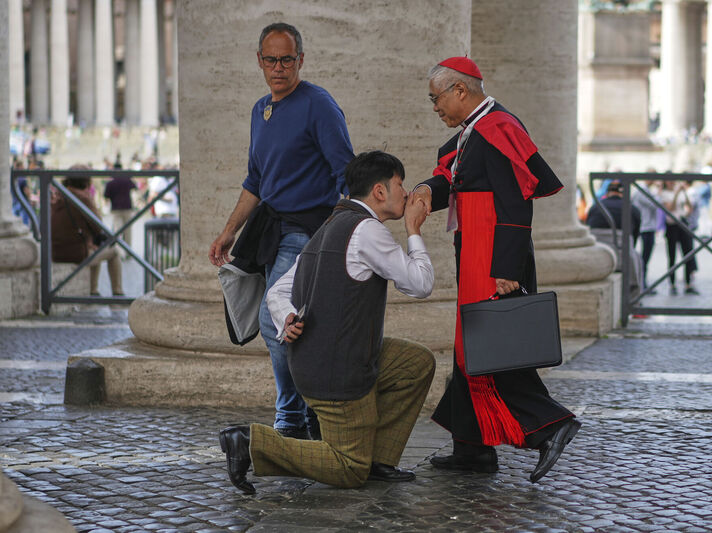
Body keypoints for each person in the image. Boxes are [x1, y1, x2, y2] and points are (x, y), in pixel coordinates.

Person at [219, 151, 435, 494]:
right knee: (349, 469)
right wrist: (413, 229)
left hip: (316, 362)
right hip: (338, 371)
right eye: (400, 184)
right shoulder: (367, 231)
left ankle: (378, 458)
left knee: (416, 363)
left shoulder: (330, 226)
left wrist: (286, 316)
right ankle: (250, 442)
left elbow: (277, 292)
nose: (406, 193)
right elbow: (420, 284)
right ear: (379, 192)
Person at [410, 57, 580, 483]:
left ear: (459, 91)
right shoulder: (474, 130)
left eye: (436, 98)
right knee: (472, 346)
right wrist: (425, 192)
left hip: (492, 254)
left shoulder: (498, 127)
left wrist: (507, 268)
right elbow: (456, 179)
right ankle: (472, 450)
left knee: (491, 347)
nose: (434, 107)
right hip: (475, 247)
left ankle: (550, 425)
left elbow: (515, 202)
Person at [208, 23, 354, 440]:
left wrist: (343, 232)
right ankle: (307, 415)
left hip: (307, 229)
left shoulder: (319, 105)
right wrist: (228, 232)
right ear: (259, 61)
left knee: (275, 322)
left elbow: (347, 171)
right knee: (285, 322)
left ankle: (293, 415)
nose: (278, 67)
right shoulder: (260, 110)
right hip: (269, 229)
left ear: (300, 60)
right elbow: (256, 180)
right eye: (270, 59)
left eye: (286, 59)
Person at [52, 168, 123, 296]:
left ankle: (93, 291)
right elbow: (98, 226)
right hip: (75, 254)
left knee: (96, 247)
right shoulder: (83, 198)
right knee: (114, 252)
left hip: (54, 251)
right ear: (87, 183)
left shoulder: (57, 197)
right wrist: (91, 201)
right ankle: (118, 293)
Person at [658, 181, 698, 295]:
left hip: (683, 223)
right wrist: (676, 193)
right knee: (672, 256)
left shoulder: (681, 192)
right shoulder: (664, 194)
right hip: (672, 226)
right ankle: (672, 283)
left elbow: (689, 209)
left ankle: (688, 283)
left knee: (688, 253)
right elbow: (670, 208)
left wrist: (684, 193)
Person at [104, 160, 137, 250]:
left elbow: (106, 196)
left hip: (116, 208)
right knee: (128, 231)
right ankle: (128, 251)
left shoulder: (110, 183)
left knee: (117, 231)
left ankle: (118, 250)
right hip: (127, 207)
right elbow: (135, 187)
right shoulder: (127, 180)